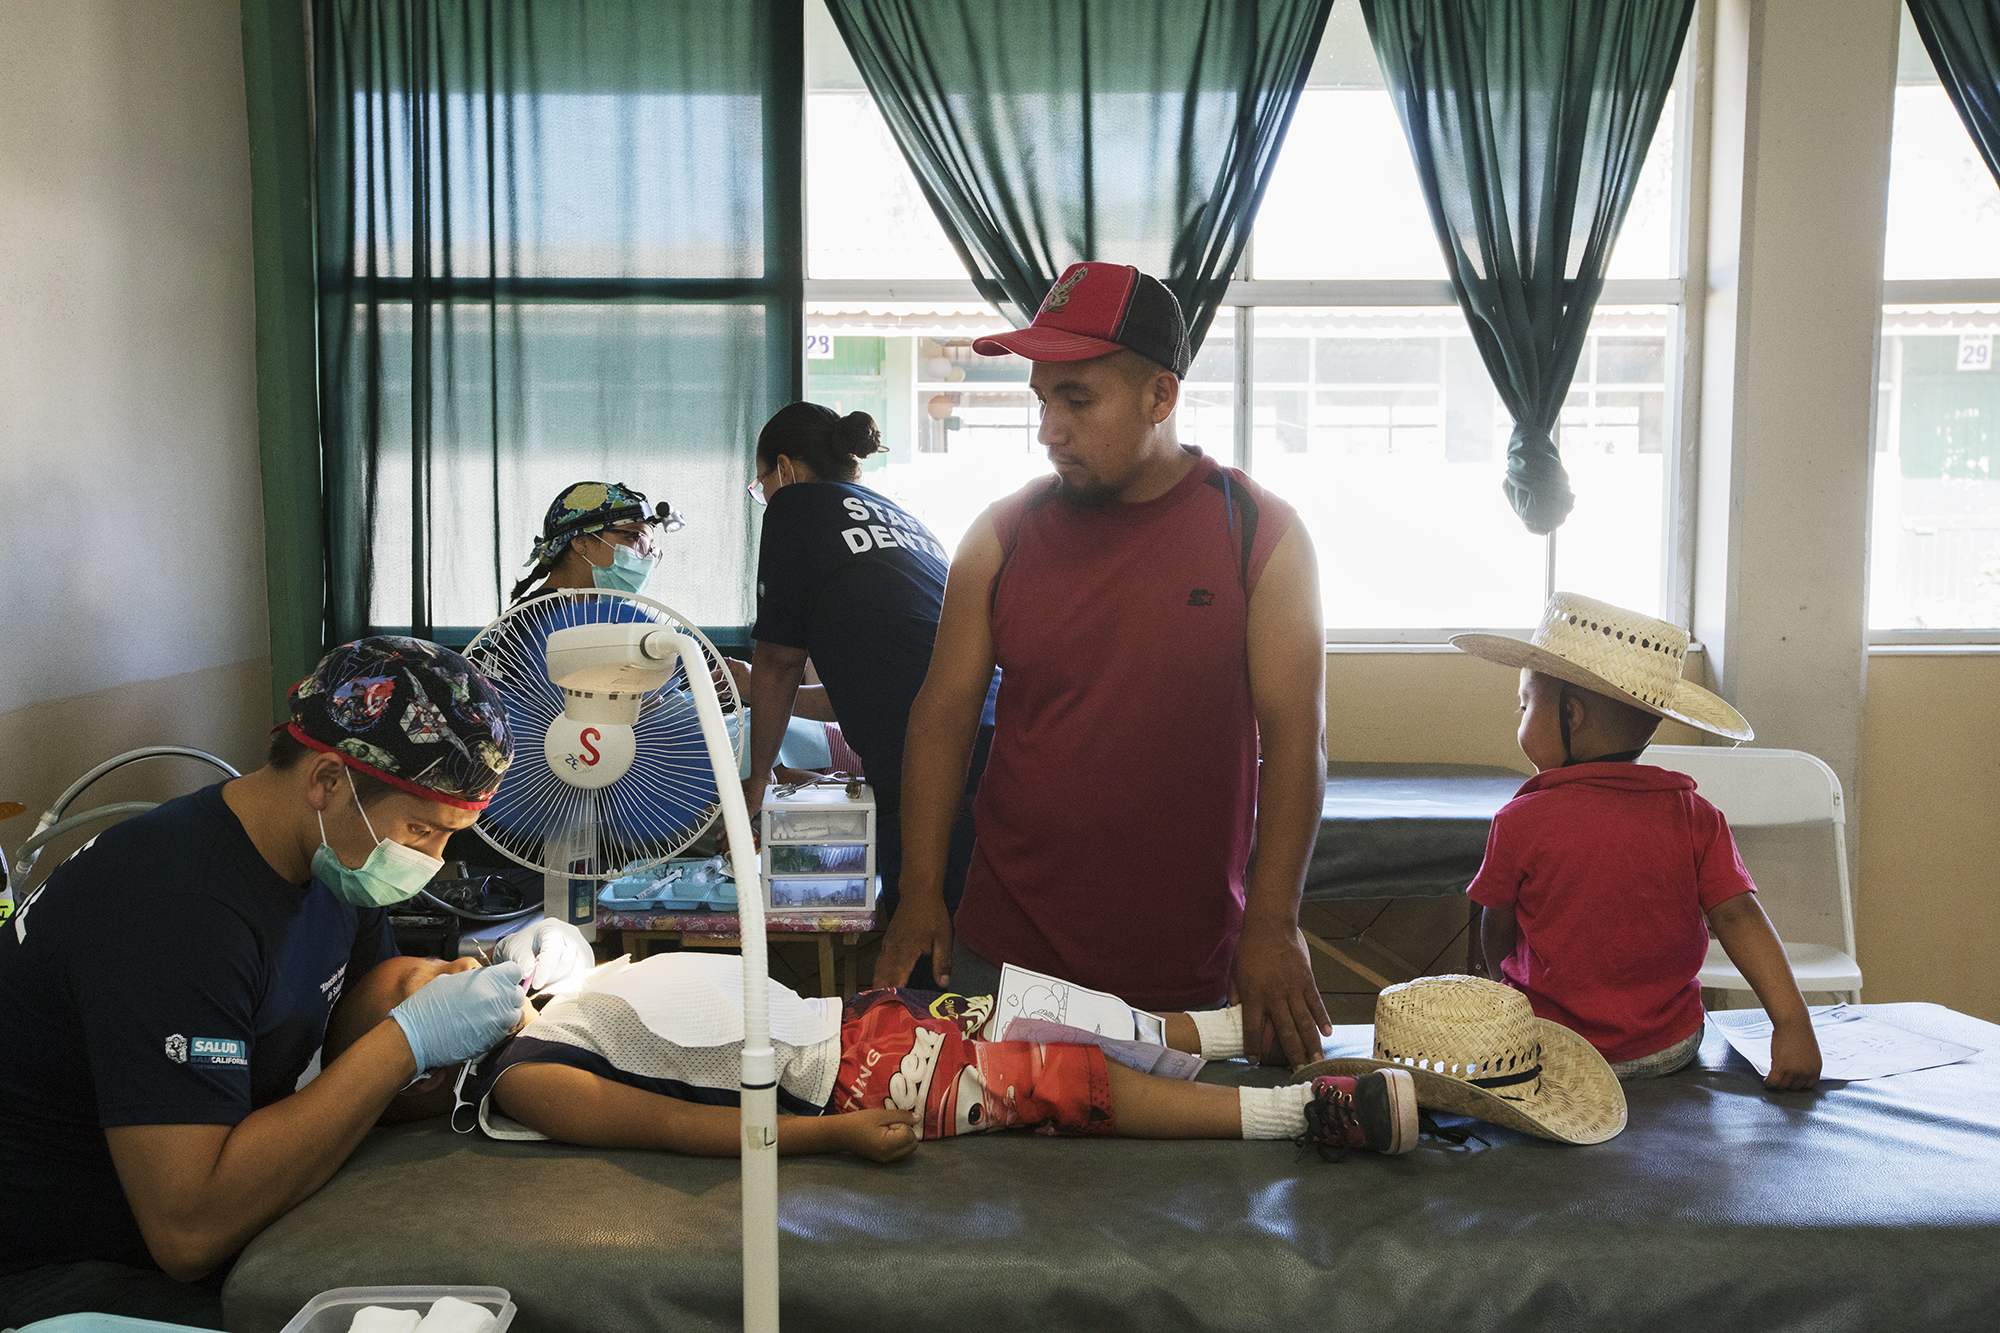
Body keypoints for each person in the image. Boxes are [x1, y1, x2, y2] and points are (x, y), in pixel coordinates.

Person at [0, 638, 564, 1329]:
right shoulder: (179, 910)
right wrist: (408, 1042)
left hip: (204, 1199)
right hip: (64, 1266)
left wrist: (469, 981)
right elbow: (188, 1234)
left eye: (450, 835)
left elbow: (363, 1016)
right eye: (421, 829)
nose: (431, 859)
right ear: (326, 780)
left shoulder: (332, 859)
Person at [873, 261, 1333, 1067]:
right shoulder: (1002, 535)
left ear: (1161, 395)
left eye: (1077, 400)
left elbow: (1297, 741)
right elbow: (941, 717)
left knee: (1177, 1152)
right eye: (1042, 400)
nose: (1049, 429)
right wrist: (918, 893)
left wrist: (1273, 921)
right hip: (1004, 959)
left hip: (1180, 973)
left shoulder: (1258, 534)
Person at [328, 950, 1422, 1161]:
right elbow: (674, 1125)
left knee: (1072, 1012)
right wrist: (833, 1138)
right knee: (1066, 1083)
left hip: (856, 1014)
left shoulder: (564, 989)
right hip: (848, 1079)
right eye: (424, 990)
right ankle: (1306, 1114)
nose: (459, 969)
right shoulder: (525, 1078)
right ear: (424, 1062)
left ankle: (1242, 1036)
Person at [1451, 592, 1823, 1089]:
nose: (1520, 721)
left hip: (1552, 1049)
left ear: (1572, 716)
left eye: (1524, 707)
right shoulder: (1695, 815)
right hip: (1669, 1049)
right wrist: (1794, 1026)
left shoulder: (1520, 820)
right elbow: (1739, 916)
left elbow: (1496, 926)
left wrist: (1503, 986)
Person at [742, 402, 994, 989]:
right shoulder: (899, 517)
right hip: (999, 737)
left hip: (932, 759)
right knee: (975, 941)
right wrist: (758, 692)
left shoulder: (794, 507)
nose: (765, 497)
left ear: (785, 469)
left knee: (925, 956)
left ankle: (922, 1042)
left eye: (761, 485)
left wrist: (757, 778)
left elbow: (779, 661)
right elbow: (867, 685)